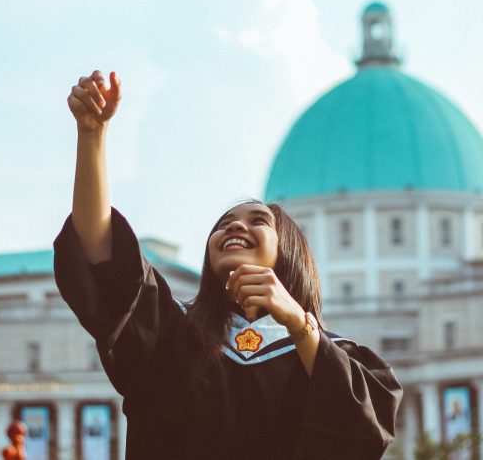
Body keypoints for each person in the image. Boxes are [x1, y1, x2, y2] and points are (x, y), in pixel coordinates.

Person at [54, 70, 402, 460]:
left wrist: (297, 322)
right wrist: (92, 136)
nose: (235, 225)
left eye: (258, 221)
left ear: (288, 253)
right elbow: (102, 254)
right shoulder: (170, 331)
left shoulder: (338, 359)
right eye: (223, 224)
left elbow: (362, 432)